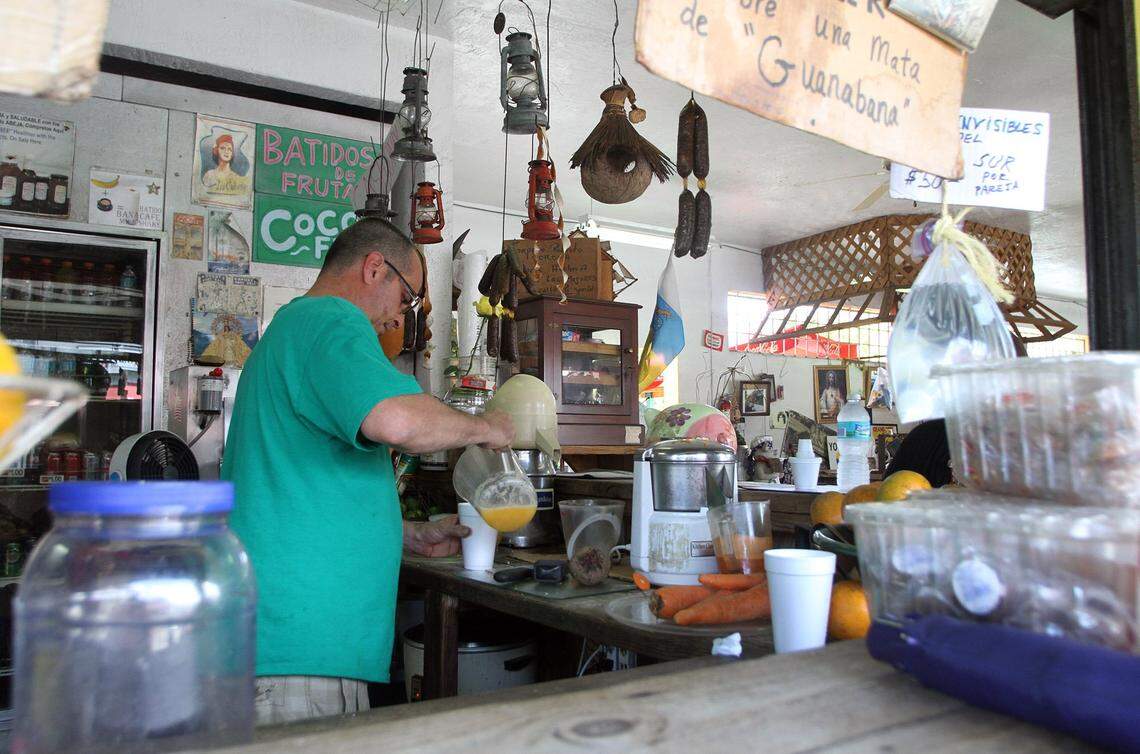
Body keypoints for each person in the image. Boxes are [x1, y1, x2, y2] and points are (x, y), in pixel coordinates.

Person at [222, 218, 514, 726]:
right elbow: (396, 420)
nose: (400, 316)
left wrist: (405, 535)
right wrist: (487, 427)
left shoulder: (295, 330)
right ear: (375, 268)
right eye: (407, 298)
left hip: (290, 641)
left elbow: (302, 487)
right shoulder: (330, 321)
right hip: (301, 648)